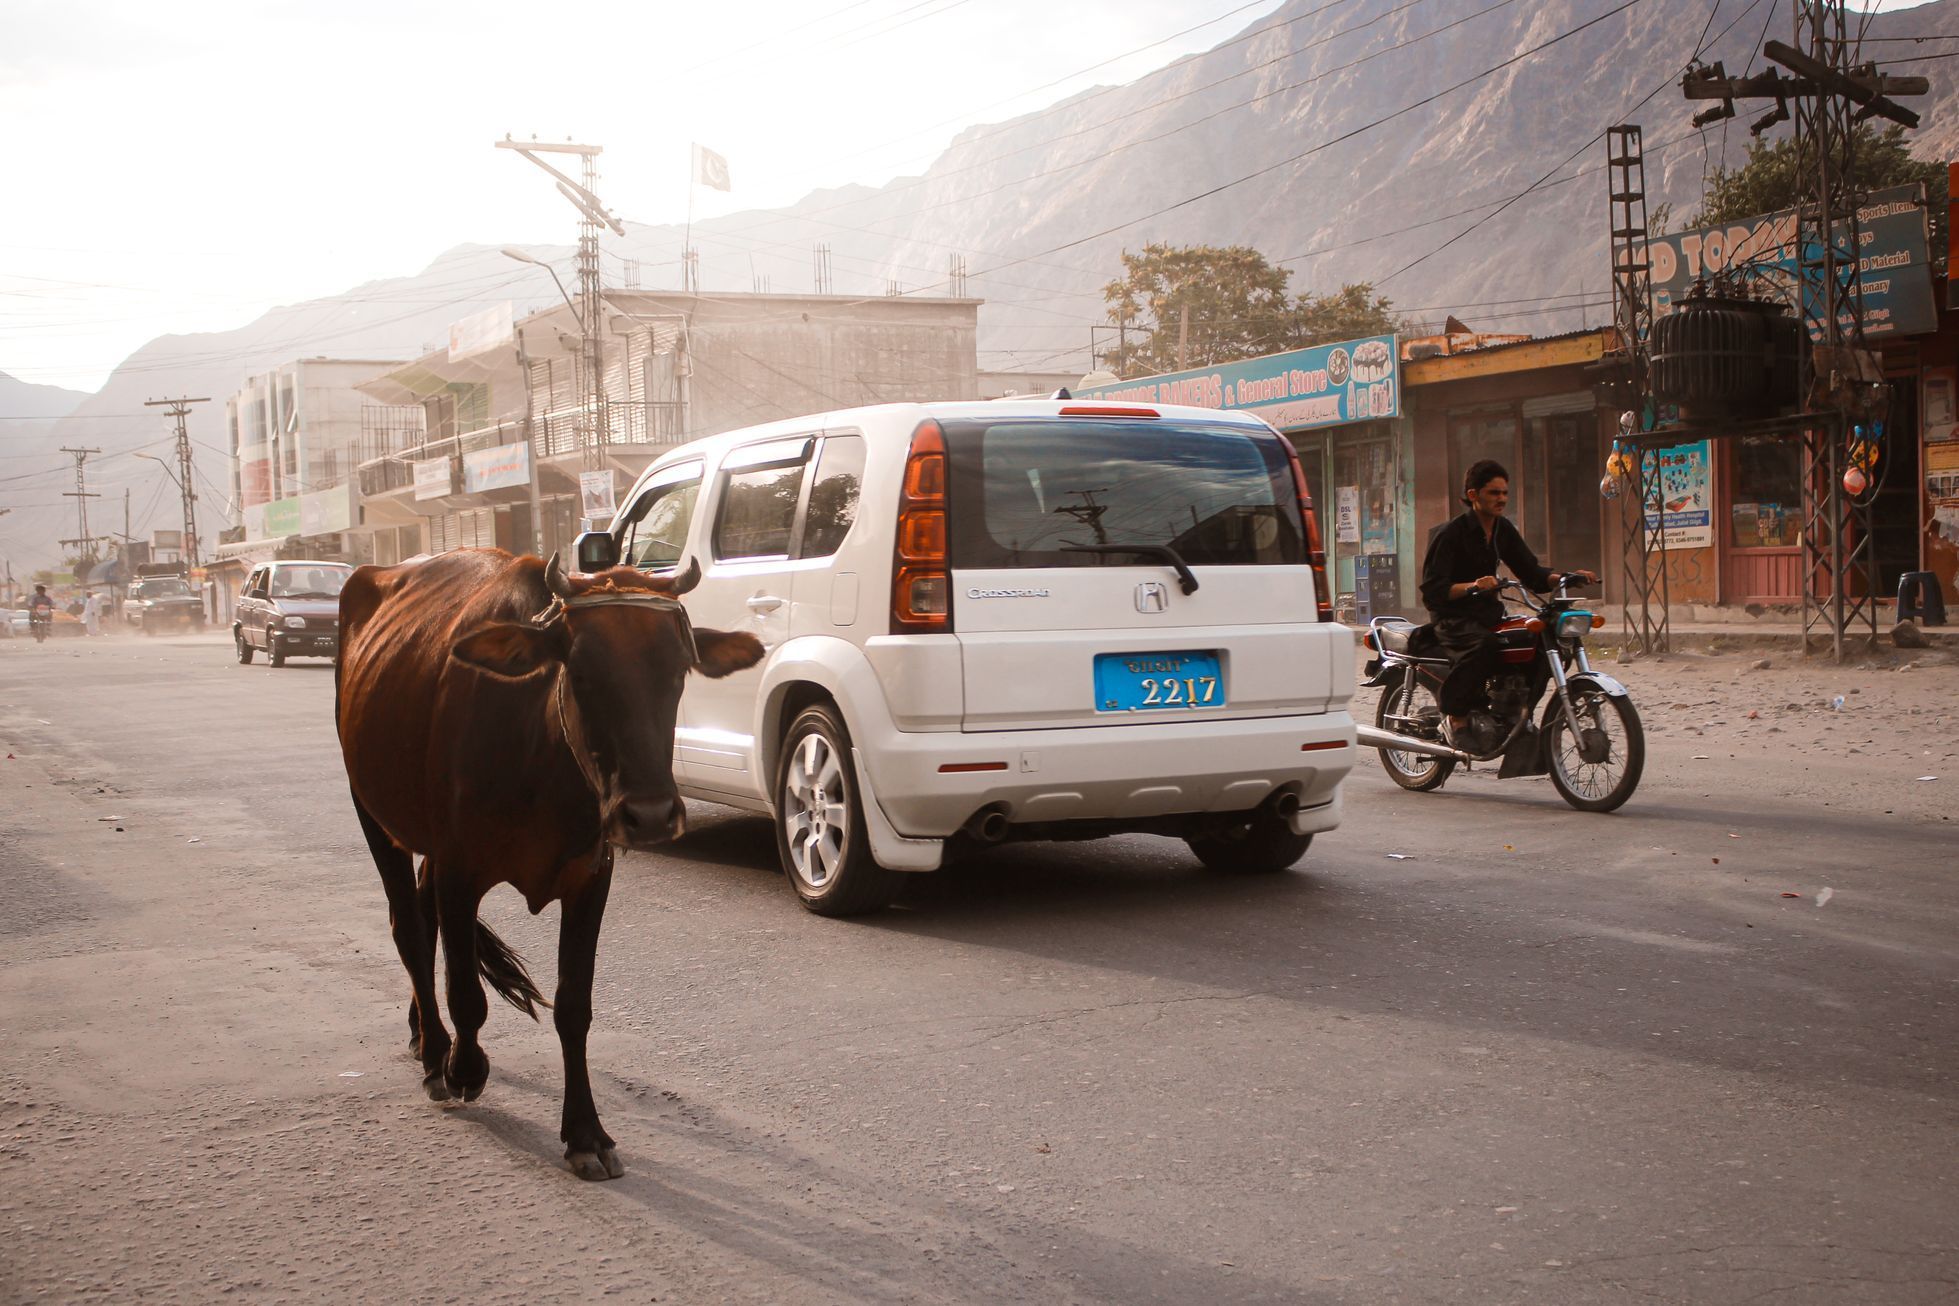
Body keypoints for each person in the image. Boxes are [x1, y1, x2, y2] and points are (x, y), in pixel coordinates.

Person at [1418, 460, 1598, 744]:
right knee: (1485, 646)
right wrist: (1473, 586)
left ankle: (1517, 715)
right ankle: (1457, 716)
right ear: (1473, 495)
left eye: (1504, 493)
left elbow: (1531, 572)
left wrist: (1567, 577)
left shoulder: (1503, 529)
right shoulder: (1451, 533)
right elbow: (1432, 590)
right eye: (1493, 493)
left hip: (1488, 615)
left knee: (1535, 642)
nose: (1501, 499)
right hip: (1453, 619)